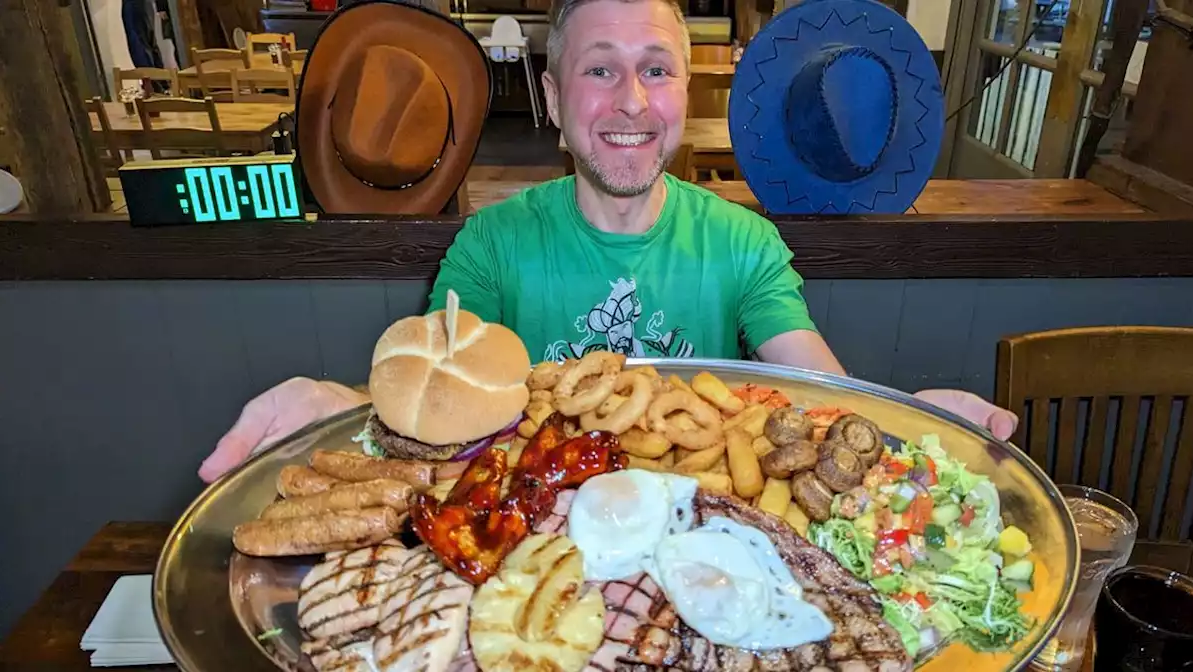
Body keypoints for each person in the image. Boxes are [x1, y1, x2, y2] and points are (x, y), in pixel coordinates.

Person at [197, 0, 1017, 483]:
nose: (630, 101)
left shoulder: (743, 241)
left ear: (682, 94)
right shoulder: (488, 246)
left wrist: (906, 421)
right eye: (599, 71)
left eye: (656, 70)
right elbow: (434, 410)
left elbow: (821, 390)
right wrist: (332, 414)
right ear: (553, 99)